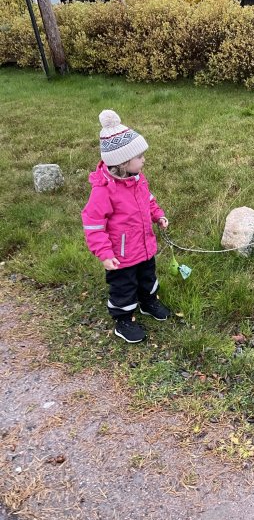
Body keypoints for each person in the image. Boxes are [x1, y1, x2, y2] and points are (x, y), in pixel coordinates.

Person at [81, 110, 171, 344]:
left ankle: (148, 302)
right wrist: (104, 253)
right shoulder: (103, 191)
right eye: (139, 156)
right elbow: (93, 226)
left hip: (144, 246)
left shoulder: (138, 179)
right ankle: (124, 320)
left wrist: (158, 215)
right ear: (123, 162)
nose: (144, 160)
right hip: (120, 255)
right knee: (123, 286)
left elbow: (148, 200)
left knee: (147, 277)